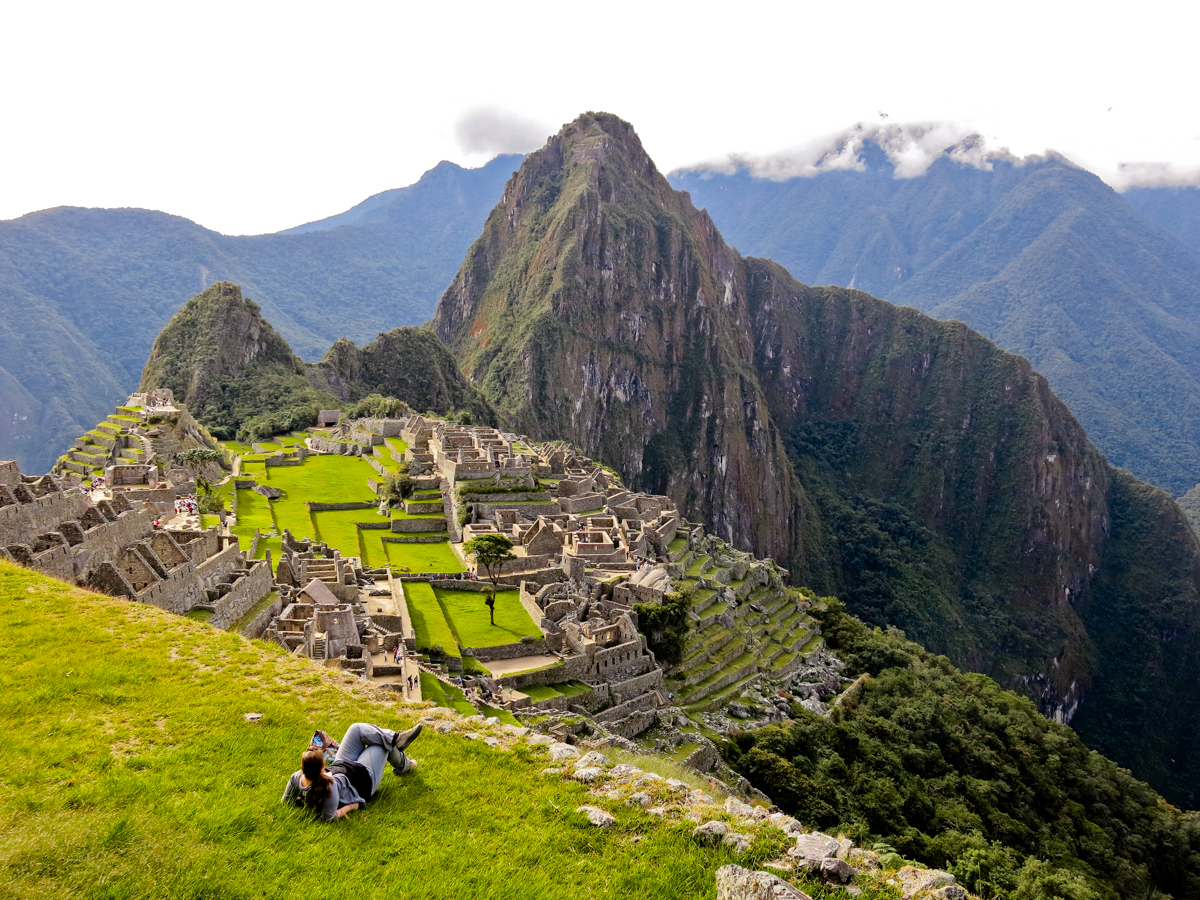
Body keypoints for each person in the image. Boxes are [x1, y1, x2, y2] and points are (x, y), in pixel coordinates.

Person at [281, 722, 421, 821]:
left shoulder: (296, 777)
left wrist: (302, 799)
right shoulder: (329, 785)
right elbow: (329, 817)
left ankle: (396, 739)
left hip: (343, 763)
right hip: (365, 779)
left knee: (356, 729)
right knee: (383, 745)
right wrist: (353, 806)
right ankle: (402, 763)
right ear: (321, 768)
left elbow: (286, 802)